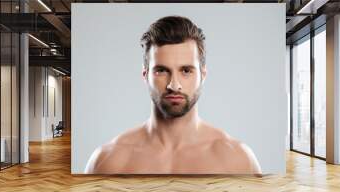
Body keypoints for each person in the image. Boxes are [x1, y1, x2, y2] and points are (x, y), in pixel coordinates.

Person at [85, 15, 261, 174]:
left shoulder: (238, 159)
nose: (174, 85)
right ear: (145, 75)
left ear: (203, 75)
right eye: (161, 70)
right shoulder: (108, 160)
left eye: (186, 70)